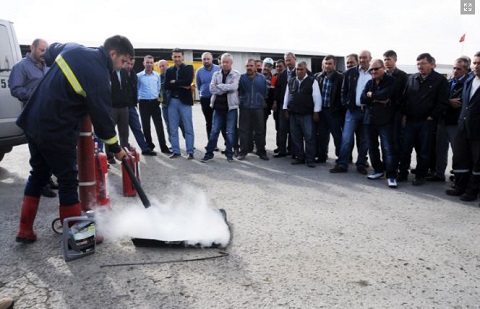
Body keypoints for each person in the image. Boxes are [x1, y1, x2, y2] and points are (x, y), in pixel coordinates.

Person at [15, 35, 133, 243]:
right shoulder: (99, 77)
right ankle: (79, 238)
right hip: (56, 129)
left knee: (38, 174)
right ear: (112, 53)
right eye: (123, 61)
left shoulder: (73, 49)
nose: (123, 67)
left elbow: (50, 51)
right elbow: (104, 122)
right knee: (68, 180)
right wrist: (116, 148)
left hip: (33, 121)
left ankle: (25, 231)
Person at [8, 38, 57, 198]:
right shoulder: (21, 67)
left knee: (49, 148)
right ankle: (40, 184)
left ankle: (47, 179)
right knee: (38, 151)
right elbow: (15, 90)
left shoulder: (47, 65)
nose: (44, 53)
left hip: (48, 114)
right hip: (32, 116)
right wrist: (37, 95)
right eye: (42, 50)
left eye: (46, 50)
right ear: (32, 48)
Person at [398, 53, 449, 186]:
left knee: (424, 151)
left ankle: (420, 175)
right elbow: (405, 98)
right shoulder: (412, 78)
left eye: (423, 63)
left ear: (432, 65)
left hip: (427, 122)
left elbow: (442, 101)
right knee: (405, 148)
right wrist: (404, 115)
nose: (420, 66)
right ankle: (402, 173)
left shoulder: (440, 80)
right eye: (418, 64)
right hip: (410, 120)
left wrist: (432, 116)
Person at [330, 50, 372, 174]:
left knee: (364, 139)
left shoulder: (373, 73)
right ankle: (342, 164)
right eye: (360, 57)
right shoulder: (350, 73)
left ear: (370, 58)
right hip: (352, 111)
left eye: (365, 57)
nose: (362, 60)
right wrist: (346, 105)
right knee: (346, 138)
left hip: (367, 111)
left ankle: (361, 164)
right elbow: (344, 91)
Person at [427, 58, 468, 182]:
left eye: (459, 69)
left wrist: (446, 101)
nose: (455, 71)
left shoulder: (467, 83)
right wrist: (448, 101)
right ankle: (439, 174)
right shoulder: (448, 81)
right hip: (443, 120)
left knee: (458, 152)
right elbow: (441, 98)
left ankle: (459, 175)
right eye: (454, 68)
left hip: (456, 123)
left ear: (466, 70)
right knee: (440, 150)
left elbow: (459, 103)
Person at [447, 52, 480, 201]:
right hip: (463, 126)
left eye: (479, 63)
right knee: (460, 158)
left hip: (478, 130)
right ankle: (459, 187)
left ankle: (472, 191)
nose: (477, 66)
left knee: (477, 162)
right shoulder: (469, 80)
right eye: (475, 63)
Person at [360, 59, 397, 188]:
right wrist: (377, 98)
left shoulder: (390, 81)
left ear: (383, 68)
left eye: (376, 69)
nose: (373, 71)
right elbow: (362, 98)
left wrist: (372, 96)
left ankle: (391, 175)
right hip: (369, 120)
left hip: (385, 120)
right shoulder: (369, 82)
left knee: (387, 148)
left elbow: (386, 95)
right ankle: (378, 170)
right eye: (372, 69)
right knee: (372, 147)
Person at [201, 53, 240, 163]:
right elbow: (212, 89)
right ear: (220, 62)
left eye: (227, 62)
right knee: (214, 131)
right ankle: (209, 154)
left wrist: (220, 86)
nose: (225, 64)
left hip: (230, 108)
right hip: (218, 108)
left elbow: (234, 87)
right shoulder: (216, 74)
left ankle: (229, 154)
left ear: (231, 63)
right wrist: (224, 88)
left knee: (230, 132)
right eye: (223, 62)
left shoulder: (235, 75)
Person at [283, 61, 321, 168]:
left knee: (309, 137)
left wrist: (316, 112)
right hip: (293, 114)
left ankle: (310, 159)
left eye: (301, 69)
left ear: (306, 70)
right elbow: (287, 96)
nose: (299, 71)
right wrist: (285, 109)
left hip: (307, 115)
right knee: (296, 137)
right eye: (297, 69)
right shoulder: (291, 81)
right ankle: (300, 157)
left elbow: (317, 98)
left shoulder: (312, 81)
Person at [164, 48, 195, 159]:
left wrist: (175, 82)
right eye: (175, 57)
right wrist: (182, 85)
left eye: (179, 56)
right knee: (172, 128)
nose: (177, 59)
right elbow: (167, 85)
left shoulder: (188, 68)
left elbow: (188, 82)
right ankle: (176, 151)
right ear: (172, 57)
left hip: (185, 101)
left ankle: (190, 151)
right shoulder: (169, 70)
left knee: (188, 127)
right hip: (172, 101)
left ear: (182, 57)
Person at [137, 55, 171, 154]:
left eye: (151, 62)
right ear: (144, 63)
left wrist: (159, 98)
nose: (149, 64)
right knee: (146, 126)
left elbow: (158, 88)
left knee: (159, 125)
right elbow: (136, 89)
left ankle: (163, 147)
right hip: (143, 102)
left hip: (155, 103)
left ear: (153, 64)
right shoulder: (139, 76)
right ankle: (149, 146)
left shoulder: (156, 75)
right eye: (147, 62)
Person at [314, 55, 344, 163]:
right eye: (325, 64)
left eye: (330, 63)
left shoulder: (340, 78)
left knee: (337, 137)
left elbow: (342, 96)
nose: (327, 66)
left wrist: (339, 110)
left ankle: (341, 158)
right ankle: (322, 156)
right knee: (322, 136)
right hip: (322, 111)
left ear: (334, 65)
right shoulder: (318, 77)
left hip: (334, 112)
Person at [237, 59, 269, 161]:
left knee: (260, 131)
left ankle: (261, 151)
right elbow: (238, 92)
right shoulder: (241, 78)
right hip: (245, 108)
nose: (249, 67)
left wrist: (259, 101)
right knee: (244, 131)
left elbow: (265, 92)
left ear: (256, 67)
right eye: (247, 66)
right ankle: (243, 151)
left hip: (258, 108)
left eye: (251, 65)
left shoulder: (262, 78)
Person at [125, 58, 156, 156]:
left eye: (132, 64)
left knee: (137, 127)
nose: (129, 66)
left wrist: (135, 102)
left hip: (131, 106)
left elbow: (136, 89)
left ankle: (145, 148)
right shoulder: (117, 73)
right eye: (128, 63)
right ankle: (109, 155)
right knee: (114, 130)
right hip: (118, 106)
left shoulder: (134, 74)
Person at [383, 50, 408, 170]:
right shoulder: (382, 74)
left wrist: (403, 114)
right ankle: (387, 164)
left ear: (395, 60)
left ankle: (399, 166)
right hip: (384, 113)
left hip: (397, 112)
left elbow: (405, 96)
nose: (387, 62)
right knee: (385, 141)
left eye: (389, 60)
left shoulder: (402, 76)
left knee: (397, 141)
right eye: (385, 60)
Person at [273, 52, 297, 158]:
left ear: (294, 59)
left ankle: (293, 150)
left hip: (296, 106)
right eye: (286, 60)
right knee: (282, 129)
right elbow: (277, 90)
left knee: (294, 129)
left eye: (289, 60)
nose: (288, 62)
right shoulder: (282, 74)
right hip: (283, 105)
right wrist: (275, 103)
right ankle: (282, 150)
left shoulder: (301, 71)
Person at [107, 63, 131, 164]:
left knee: (124, 132)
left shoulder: (124, 72)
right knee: (110, 131)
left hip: (124, 107)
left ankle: (124, 153)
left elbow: (128, 88)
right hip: (112, 107)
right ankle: (110, 156)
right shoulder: (108, 72)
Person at [196, 52, 221, 148]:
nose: (206, 61)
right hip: (205, 99)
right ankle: (211, 144)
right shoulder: (199, 71)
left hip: (217, 98)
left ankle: (227, 144)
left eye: (208, 59)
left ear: (212, 59)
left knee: (219, 121)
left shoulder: (218, 69)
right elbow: (198, 85)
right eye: (204, 59)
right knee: (209, 122)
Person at [262, 57, 277, 131]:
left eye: (269, 66)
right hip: (255, 105)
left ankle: (261, 142)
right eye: (265, 65)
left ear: (271, 68)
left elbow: (275, 93)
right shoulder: (256, 76)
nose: (266, 68)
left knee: (262, 126)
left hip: (266, 106)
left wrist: (274, 103)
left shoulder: (274, 79)